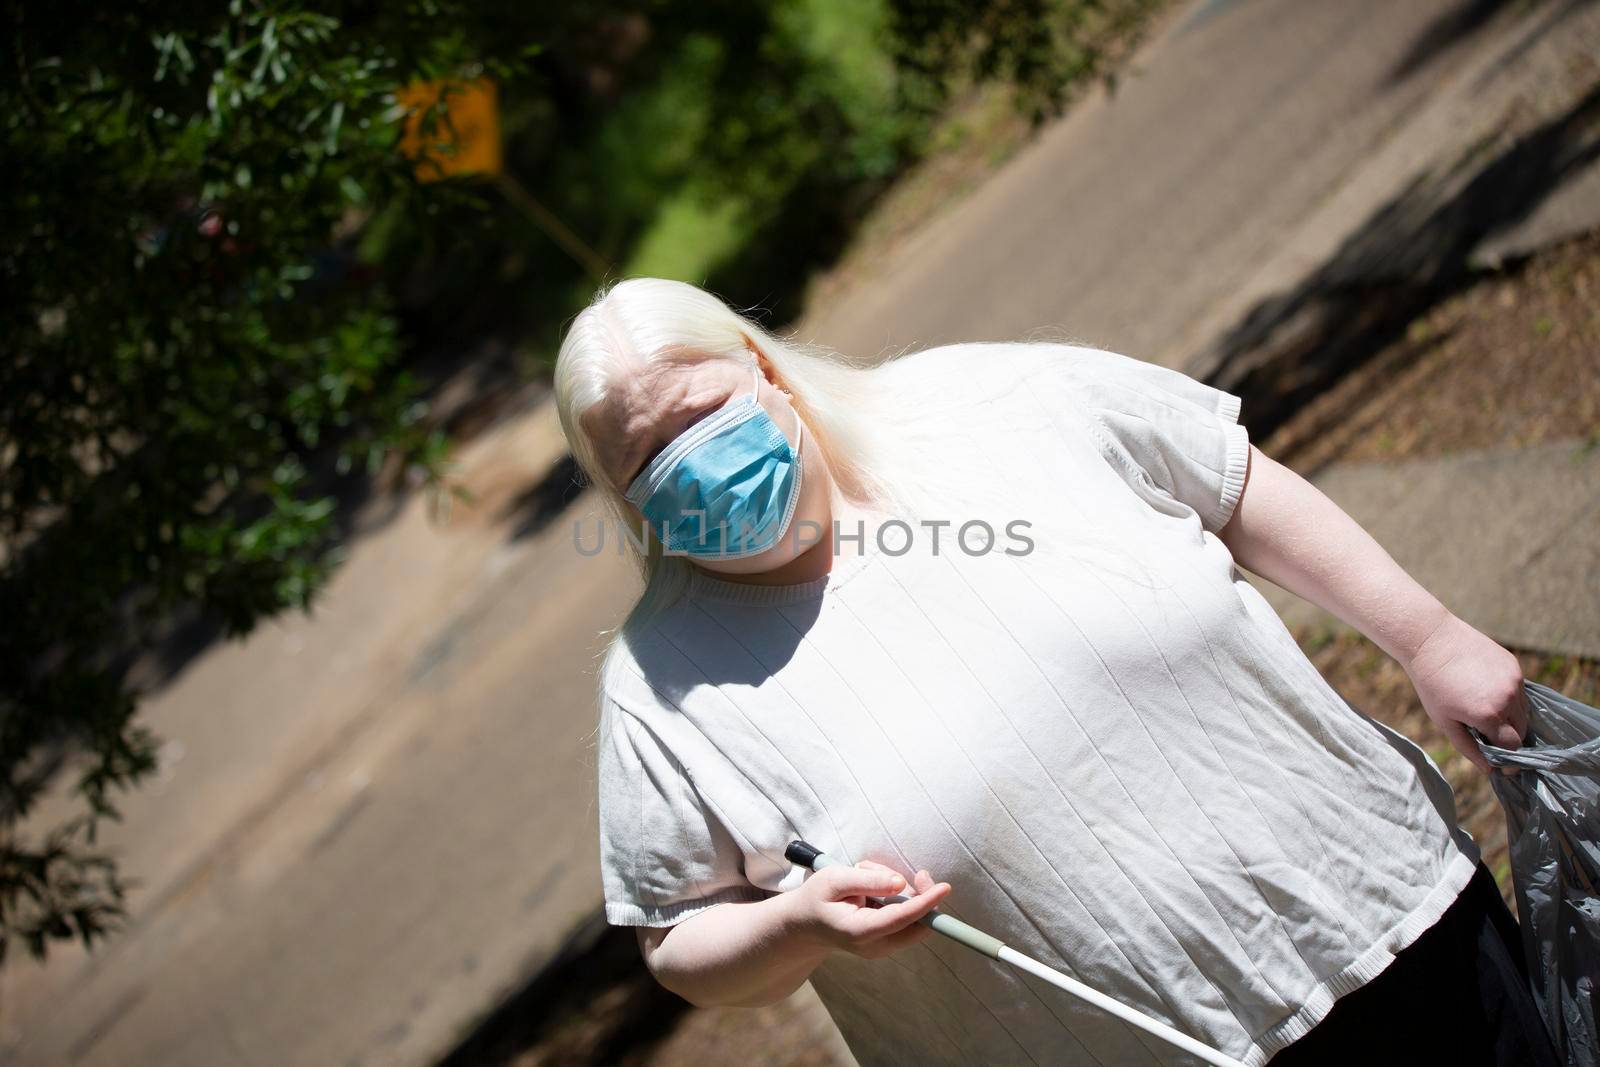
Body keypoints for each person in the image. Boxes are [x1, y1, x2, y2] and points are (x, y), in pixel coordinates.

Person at [554, 277, 1562, 1066]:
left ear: (764, 369)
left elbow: (1224, 476)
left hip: (1381, 921)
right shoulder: (661, 689)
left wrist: (1427, 635)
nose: (690, 459)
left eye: (702, 412)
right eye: (646, 456)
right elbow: (677, 943)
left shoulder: (988, 401)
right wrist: (792, 924)